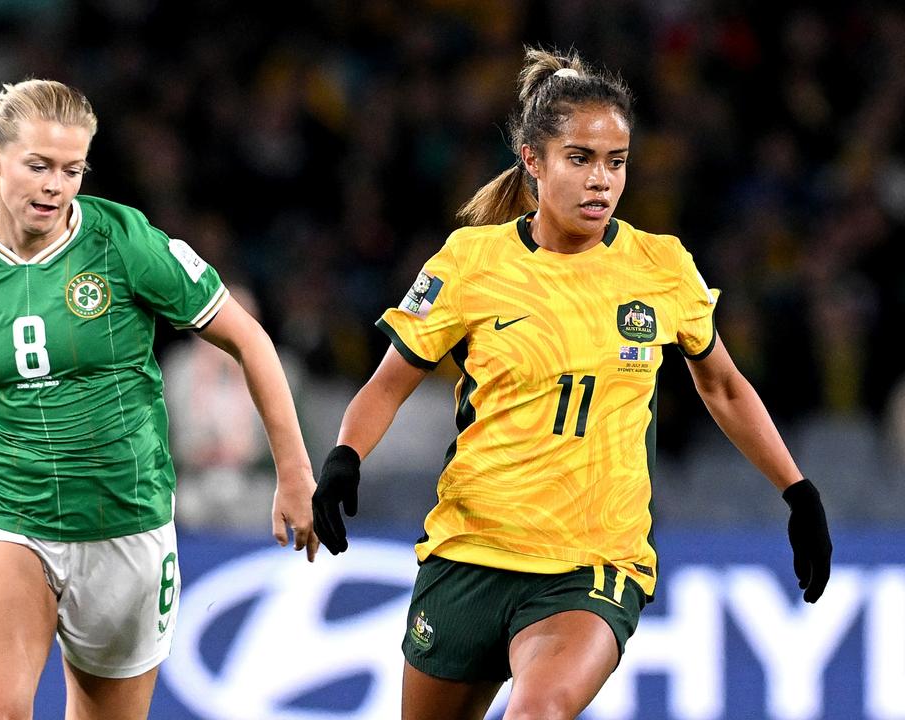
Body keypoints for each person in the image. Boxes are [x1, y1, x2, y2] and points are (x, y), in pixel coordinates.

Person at [312, 47, 832, 720]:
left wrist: (798, 490)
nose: (601, 182)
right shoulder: (471, 262)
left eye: (615, 163)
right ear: (534, 161)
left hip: (590, 564)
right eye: (580, 159)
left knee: (538, 713)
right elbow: (388, 384)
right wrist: (345, 457)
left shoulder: (661, 266)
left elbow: (724, 387)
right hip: (470, 551)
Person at [0, 79, 319, 720]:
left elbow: (250, 341)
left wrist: (294, 472)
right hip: (5, 512)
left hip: (125, 523)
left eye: (71, 169)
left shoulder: (122, 241)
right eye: (38, 166)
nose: (55, 186)